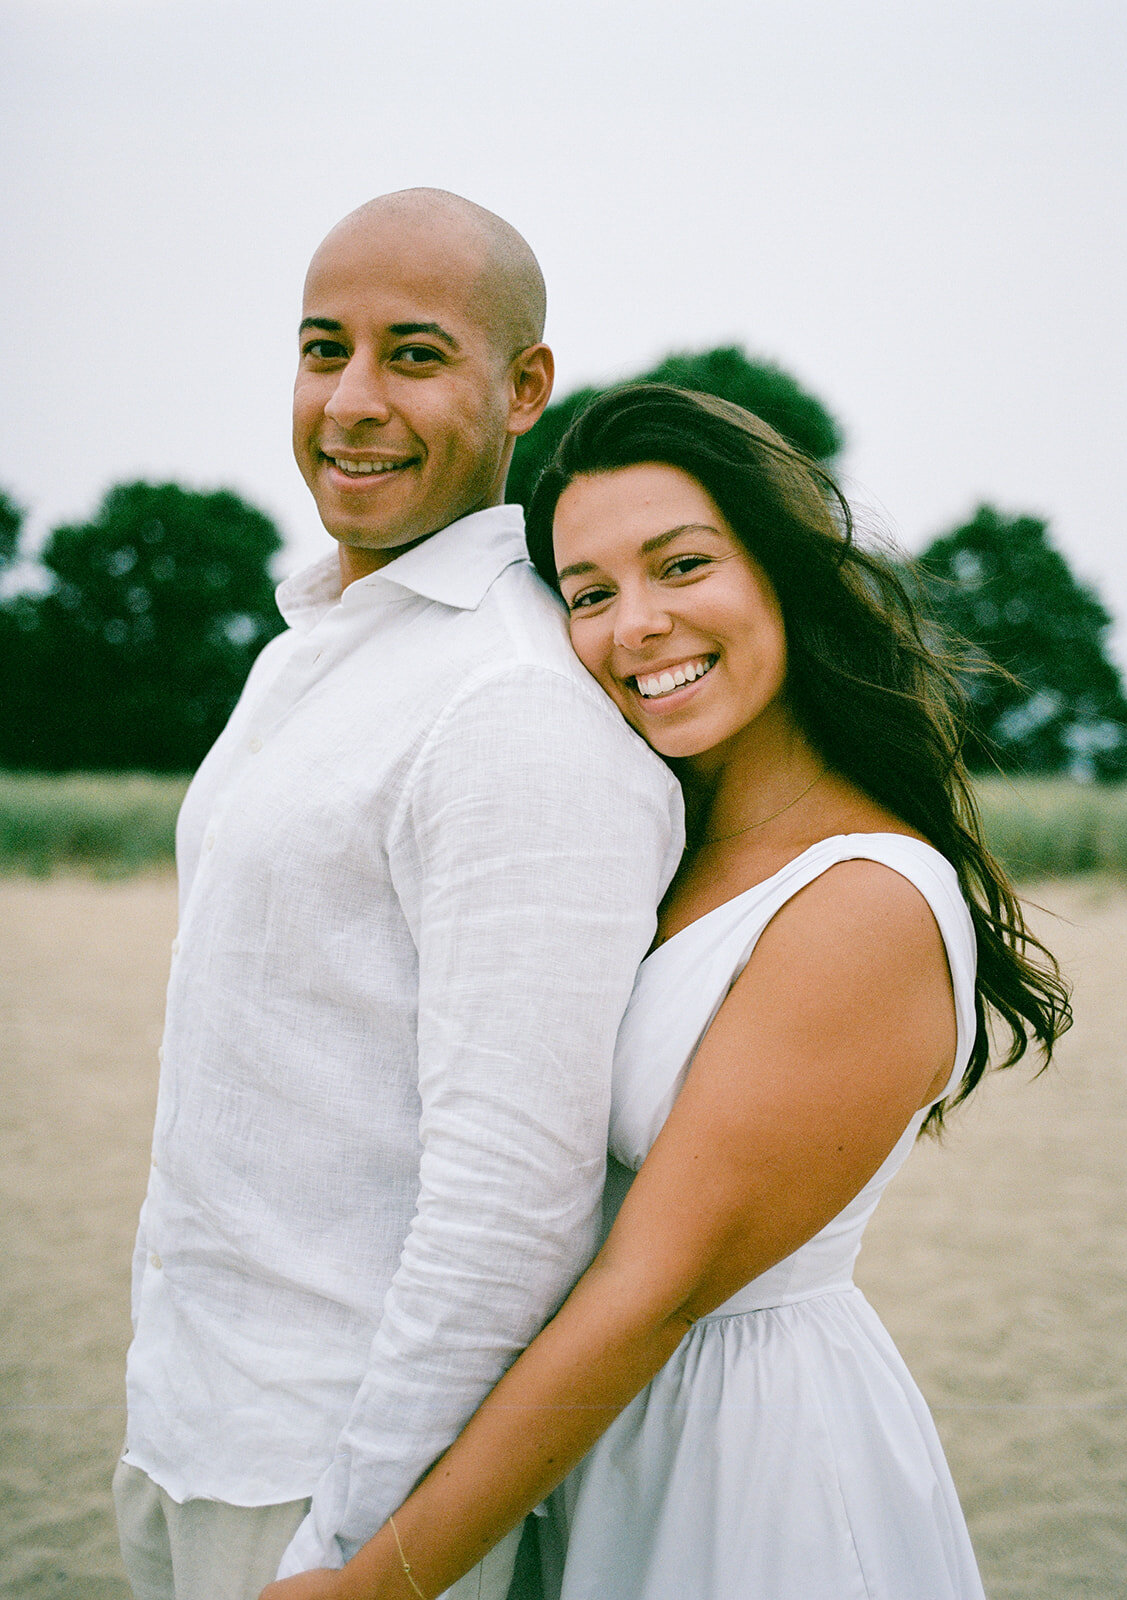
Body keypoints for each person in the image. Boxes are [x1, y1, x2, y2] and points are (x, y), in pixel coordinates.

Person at [260, 384, 1072, 1600]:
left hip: (747, 1457)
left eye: (679, 565)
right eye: (587, 592)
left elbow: (648, 1291)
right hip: (597, 1436)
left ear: (785, 575)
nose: (634, 624)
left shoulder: (862, 904)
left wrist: (377, 1580)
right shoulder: (658, 849)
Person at [112, 197, 683, 1600]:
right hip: (193, 1425)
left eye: (414, 356)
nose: (352, 403)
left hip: (339, 1478)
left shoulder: (512, 699)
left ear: (522, 389)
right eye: (324, 349)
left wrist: (356, 1536)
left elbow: (515, 1194)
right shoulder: (310, 646)